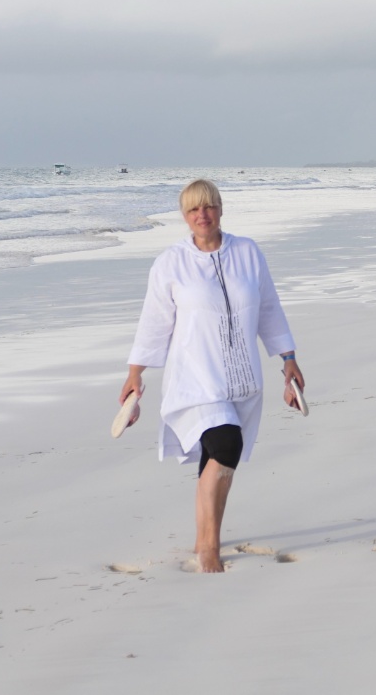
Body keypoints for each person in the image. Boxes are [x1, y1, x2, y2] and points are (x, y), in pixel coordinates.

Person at [118, 179, 307, 573]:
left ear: (221, 208)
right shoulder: (171, 263)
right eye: (192, 210)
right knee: (226, 443)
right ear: (184, 217)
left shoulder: (248, 253)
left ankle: (208, 533)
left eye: (208, 207)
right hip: (195, 377)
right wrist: (136, 375)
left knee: (216, 457)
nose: (201, 215)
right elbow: (154, 322)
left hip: (242, 379)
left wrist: (287, 360)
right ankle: (208, 548)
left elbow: (269, 308)